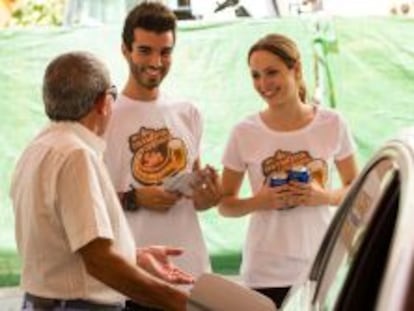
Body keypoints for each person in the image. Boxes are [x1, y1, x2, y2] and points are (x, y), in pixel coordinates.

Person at [9, 51, 195, 311]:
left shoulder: (38, 148)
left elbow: (65, 247)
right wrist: (184, 304)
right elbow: (99, 262)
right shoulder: (76, 155)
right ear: (103, 102)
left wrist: (134, 256)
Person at [219, 33, 358, 308]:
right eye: (256, 75)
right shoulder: (244, 132)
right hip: (265, 272)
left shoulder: (332, 123)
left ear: (296, 69)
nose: (263, 84)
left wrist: (324, 197)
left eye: (272, 72)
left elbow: (355, 186)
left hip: (320, 265)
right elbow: (225, 204)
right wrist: (260, 201)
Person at [103, 2, 222, 310]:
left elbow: (197, 198)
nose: (156, 62)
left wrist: (207, 196)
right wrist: (135, 198)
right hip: (132, 280)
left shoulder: (188, 113)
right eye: (145, 50)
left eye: (165, 52)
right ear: (125, 50)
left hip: (191, 275)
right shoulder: (103, 115)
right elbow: (82, 201)